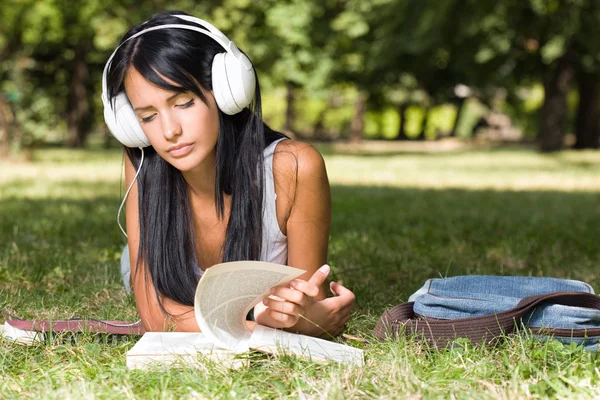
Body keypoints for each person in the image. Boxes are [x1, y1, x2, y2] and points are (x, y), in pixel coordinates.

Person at [102, 11, 355, 337]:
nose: (169, 131)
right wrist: (260, 324)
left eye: (183, 102)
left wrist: (310, 314)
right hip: (158, 259)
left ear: (226, 90)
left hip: (210, 300)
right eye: (148, 116)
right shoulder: (143, 159)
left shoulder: (295, 168)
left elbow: (304, 302)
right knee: (132, 266)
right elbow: (157, 317)